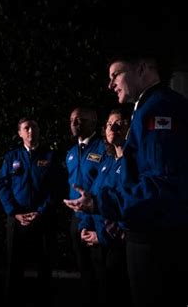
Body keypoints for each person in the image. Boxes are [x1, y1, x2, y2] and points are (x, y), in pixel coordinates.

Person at [64, 51, 188, 307]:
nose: (110, 84)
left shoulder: (159, 108)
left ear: (142, 68)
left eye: (115, 75)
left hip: (154, 242)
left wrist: (102, 204)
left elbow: (161, 183)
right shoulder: (148, 107)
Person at [65, 108, 132, 306]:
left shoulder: (131, 162)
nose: (114, 127)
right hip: (89, 227)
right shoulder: (108, 161)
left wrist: (100, 235)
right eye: (110, 124)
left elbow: (126, 205)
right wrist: (85, 224)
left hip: (113, 240)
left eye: (119, 123)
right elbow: (93, 195)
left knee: (111, 288)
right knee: (92, 280)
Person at [0, 117, 57, 306]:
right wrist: (14, 213)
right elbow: (3, 186)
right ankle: (12, 301)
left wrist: (40, 212)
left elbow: (54, 188)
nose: (31, 131)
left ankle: (43, 301)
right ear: (20, 133)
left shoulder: (49, 156)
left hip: (42, 219)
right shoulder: (11, 157)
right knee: (13, 265)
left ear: (39, 131)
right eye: (26, 128)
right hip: (16, 219)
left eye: (34, 127)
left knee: (45, 264)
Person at [65, 107, 107, 307]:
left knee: (100, 272)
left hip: (96, 218)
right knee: (83, 270)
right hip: (76, 219)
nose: (74, 123)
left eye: (80, 120)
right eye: (72, 119)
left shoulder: (103, 149)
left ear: (93, 123)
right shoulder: (71, 153)